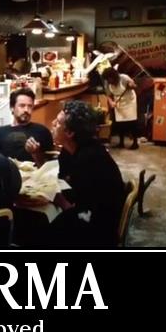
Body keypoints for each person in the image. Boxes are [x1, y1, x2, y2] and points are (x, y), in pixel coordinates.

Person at [50, 100, 125, 248]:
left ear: (70, 133)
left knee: (42, 230)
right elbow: (64, 179)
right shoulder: (70, 150)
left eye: (57, 122)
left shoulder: (90, 159)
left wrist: (60, 201)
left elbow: (83, 213)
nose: (53, 124)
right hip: (87, 213)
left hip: (98, 231)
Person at [0, 88, 54, 166]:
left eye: (30, 106)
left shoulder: (42, 132)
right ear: (12, 108)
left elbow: (50, 166)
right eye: (22, 106)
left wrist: (36, 153)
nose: (26, 110)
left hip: (35, 172)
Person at [101, 67, 139, 149]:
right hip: (118, 101)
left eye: (109, 79)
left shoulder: (124, 78)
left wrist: (131, 85)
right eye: (107, 79)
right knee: (120, 123)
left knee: (132, 122)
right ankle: (121, 142)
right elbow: (108, 95)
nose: (108, 81)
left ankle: (135, 143)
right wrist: (111, 102)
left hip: (129, 101)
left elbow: (134, 86)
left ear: (113, 76)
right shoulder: (107, 83)